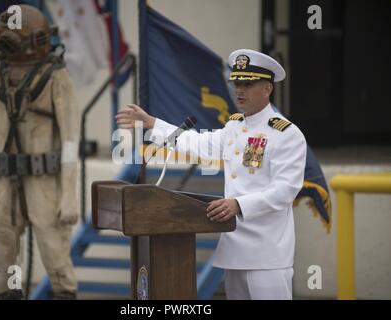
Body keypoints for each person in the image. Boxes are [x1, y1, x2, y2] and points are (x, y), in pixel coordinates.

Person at [116, 49, 307, 300]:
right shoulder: (235, 126)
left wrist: (238, 204)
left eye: (248, 84)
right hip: (236, 249)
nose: (239, 90)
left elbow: (285, 190)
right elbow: (199, 144)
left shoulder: (286, 134)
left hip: (267, 254)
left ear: (267, 89)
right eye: (237, 83)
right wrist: (153, 123)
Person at [0, 5, 78, 300]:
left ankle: (63, 293)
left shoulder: (56, 79)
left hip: (45, 184)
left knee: (54, 252)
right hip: (8, 183)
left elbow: (69, 142)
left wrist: (69, 196)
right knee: (5, 255)